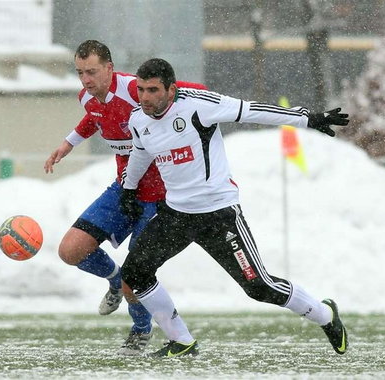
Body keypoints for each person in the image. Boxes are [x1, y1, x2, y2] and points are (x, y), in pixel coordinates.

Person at [120, 58, 349, 357]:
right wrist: (128, 188)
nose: (145, 97)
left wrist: (306, 118)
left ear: (172, 90)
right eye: (140, 90)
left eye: (153, 90)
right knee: (135, 272)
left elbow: (253, 110)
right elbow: (139, 152)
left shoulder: (199, 106)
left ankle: (324, 315)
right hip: (176, 214)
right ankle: (181, 340)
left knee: (259, 287)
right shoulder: (138, 120)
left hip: (219, 215)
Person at [43, 41, 206, 355]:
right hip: (124, 189)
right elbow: (95, 117)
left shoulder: (135, 89)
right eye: (80, 73)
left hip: (161, 197)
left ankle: (141, 329)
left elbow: (186, 90)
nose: (86, 79)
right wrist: (68, 144)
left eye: (92, 71)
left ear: (109, 67)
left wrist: (215, 107)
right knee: (70, 251)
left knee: (138, 274)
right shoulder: (87, 97)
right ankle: (114, 280)